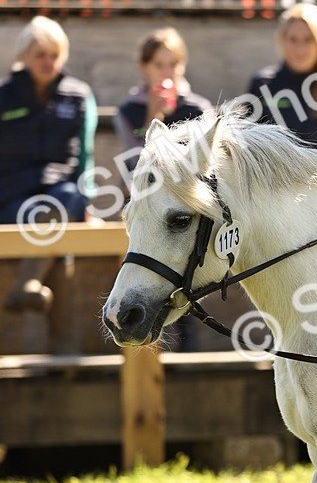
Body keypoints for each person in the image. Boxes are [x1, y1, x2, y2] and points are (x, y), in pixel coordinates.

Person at [0, 16, 97, 312]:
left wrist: (89, 204)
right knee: (50, 224)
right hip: (14, 200)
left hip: (64, 197)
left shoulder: (79, 95)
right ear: (23, 56)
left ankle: (27, 284)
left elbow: (85, 153)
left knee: (64, 202)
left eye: (54, 55)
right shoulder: (3, 96)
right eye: (40, 54)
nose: (48, 62)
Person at [247, 3, 317, 160]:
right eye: (292, 39)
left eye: (308, 40)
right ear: (282, 40)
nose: (299, 49)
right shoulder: (262, 84)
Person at [116, 27, 213, 170]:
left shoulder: (199, 109)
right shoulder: (129, 112)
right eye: (158, 65)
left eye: (173, 65)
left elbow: (206, 163)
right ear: (143, 67)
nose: (167, 73)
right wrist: (152, 119)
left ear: (183, 65)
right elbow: (136, 164)